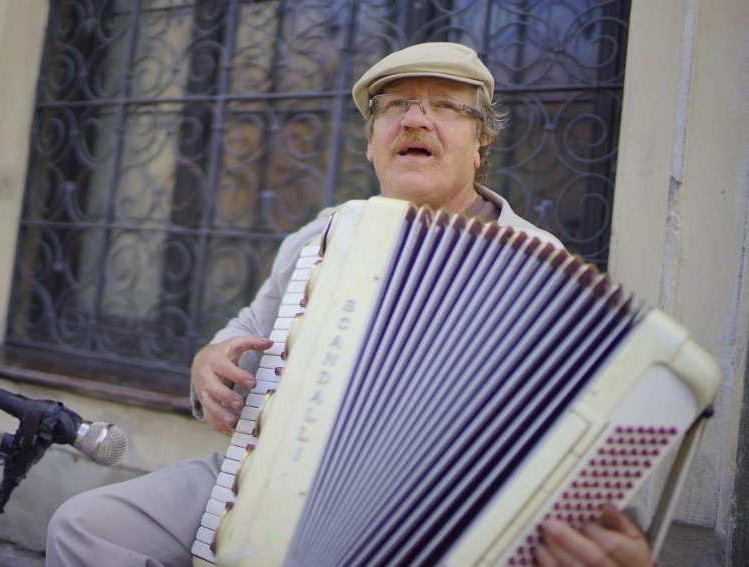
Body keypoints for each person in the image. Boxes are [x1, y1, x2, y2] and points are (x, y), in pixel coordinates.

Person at [46, 42, 653, 566]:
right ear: (371, 144)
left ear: (480, 143)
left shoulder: (541, 266)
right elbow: (251, 330)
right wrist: (208, 361)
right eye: (395, 106)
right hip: (267, 474)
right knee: (87, 529)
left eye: (444, 106)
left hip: (431, 522)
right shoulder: (324, 236)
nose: (415, 119)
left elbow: (581, 433)